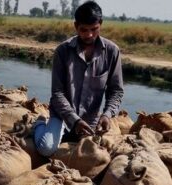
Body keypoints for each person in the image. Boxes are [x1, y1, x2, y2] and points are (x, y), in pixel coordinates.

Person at [34, 1, 124, 157]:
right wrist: (74, 121)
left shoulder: (112, 51)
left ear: (100, 24)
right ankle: (39, 124)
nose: (89, 35)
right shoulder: (63, 51)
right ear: (76, 26)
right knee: (46, 148)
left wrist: (107, 115)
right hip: (62, 115)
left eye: (94, 29)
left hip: (91, 119)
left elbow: (115, 90)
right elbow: (57, 93)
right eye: (84, 30)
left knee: (100, 155)